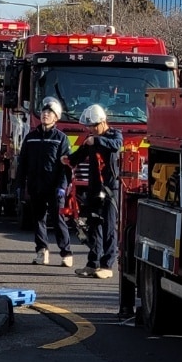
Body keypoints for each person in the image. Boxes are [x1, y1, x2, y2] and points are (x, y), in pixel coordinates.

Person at [13, 96, 73, 266]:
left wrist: (62, 186)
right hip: (35, 185)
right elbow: (22, 162)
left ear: (56, 117)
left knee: (57, 219)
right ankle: (42, 252)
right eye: (44, 112)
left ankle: (66, 253)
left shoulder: (61, 138)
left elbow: (65, 166)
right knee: (38, 219)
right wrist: (19, 184)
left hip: (54, 188)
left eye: (50, 113)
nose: (46, 115)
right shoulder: (31, 137)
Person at [70, 103, 123, 278]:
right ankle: (93, 263)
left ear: (102, 122)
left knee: (109, 227)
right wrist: (67, 160)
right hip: (94, 188)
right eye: (89, 127)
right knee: (94, 226)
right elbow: (78, 155)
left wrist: (98, 140)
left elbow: (116, 145)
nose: (91, 130)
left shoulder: (114, 135)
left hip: (110, 189)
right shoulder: (90, 139)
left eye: (93, 126)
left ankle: (107, 266)